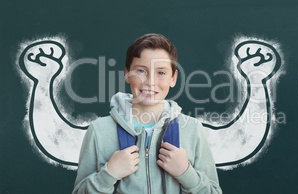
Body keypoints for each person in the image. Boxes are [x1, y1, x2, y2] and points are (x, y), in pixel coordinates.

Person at [72, 33, 222, 193]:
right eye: (141, 71)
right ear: (127, 73)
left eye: (161, 72)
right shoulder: (98, 131)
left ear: (173, 78)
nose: (150, 81)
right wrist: (109, 174)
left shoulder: (192, 129)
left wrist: (186, 173)